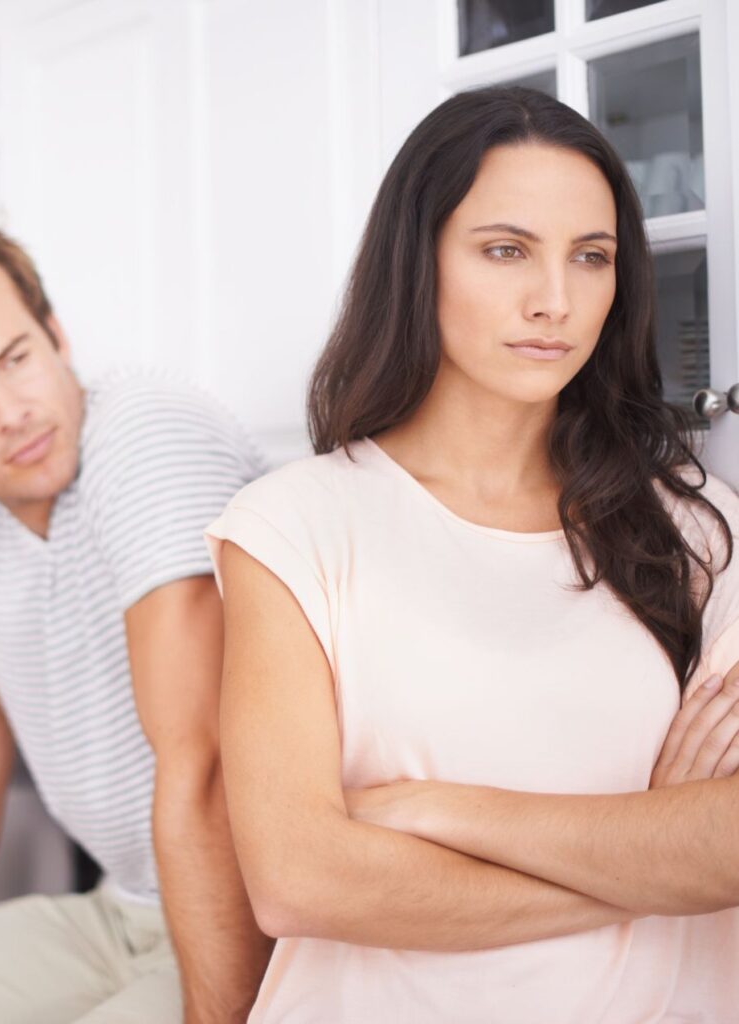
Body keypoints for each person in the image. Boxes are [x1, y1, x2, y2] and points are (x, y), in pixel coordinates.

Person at [204, 86, 739, 1022]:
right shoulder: (292, 527)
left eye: (592, 257)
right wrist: (650, 855)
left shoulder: (695, 533)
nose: (555, 301)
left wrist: (445, 810)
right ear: (420, 262)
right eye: (506, 250)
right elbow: (300, 881)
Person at [0, 223, 272, 1023]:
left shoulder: (143, 434)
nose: (12, 413)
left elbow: (203, 766)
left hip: (260, 915)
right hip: (125, 909)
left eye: (15, 358)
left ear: (56, 334)